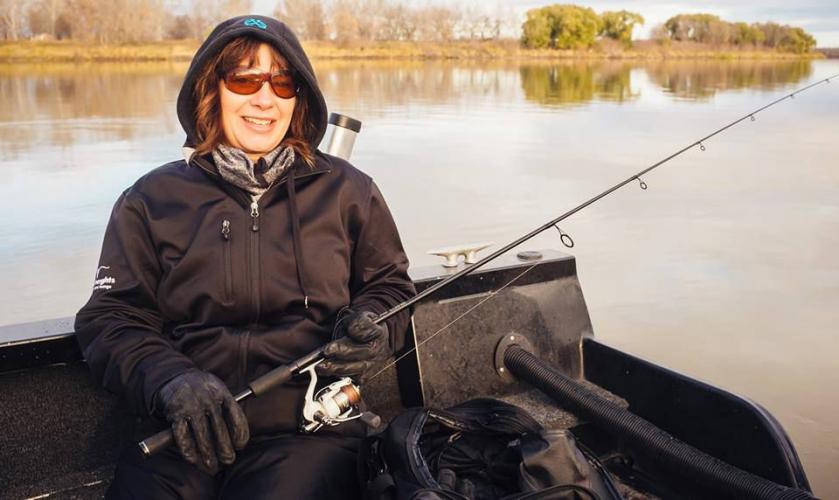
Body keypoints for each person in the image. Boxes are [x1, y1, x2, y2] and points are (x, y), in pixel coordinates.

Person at [74, 15, 415, 499]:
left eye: (282, 81)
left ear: (299, 98)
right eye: (244, 79)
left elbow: (392, 288)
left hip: (309, 433)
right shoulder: (150, 199)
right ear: (210, 90)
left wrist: (374, 325)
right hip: (183, 432)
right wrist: (173, 382)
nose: (264, 98)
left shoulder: (349, 191)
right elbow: (111, 318)